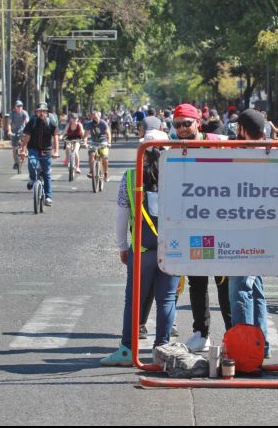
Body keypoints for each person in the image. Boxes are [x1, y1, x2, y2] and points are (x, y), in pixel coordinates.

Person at [101, 129, 178, 366]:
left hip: (142, 249)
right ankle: (161, 350)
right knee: (167, 300)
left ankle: (127, 349)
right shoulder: (178, 175)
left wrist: (123, 246)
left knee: (134, 300)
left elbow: (121, 216)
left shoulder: (131, 176)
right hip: (173, 249)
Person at [171, 103, 231, 352]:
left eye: (187, 123)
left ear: (198, 122)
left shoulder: (218, 141)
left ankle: (232, 334)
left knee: (224, 281)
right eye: (178, 125)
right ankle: (201, 333)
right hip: (193, 224)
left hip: (221, 222)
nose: (183, 129)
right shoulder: (173, 147)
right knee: (197, 280)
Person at [228, 109, 271, 358]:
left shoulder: (240, 154)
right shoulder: (275, 151)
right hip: (267, 228)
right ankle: (261, 345)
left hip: (244, 229)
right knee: (256, 286)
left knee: (240, 288)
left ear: (242, 130)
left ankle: (245, 349)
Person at [20, 104, 59, 205]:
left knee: (46, 173)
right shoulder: (32, 122)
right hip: (33, 149)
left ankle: (48, 197)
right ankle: (32, 178)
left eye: (44, 111)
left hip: (46, 150)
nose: (42, 113)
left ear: (47, 113)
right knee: (32, 163)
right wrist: (23, 150)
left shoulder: (51, 122)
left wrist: (56, 151)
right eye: (39, 111)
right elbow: (27, 137)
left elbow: (55, 137)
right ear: (36, 113)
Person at [84, 111, 111, 181]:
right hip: (94, 142)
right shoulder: (89, 124)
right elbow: (86, 135)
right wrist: (85, 143)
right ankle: (91, 171)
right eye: (92, 117)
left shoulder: (103, 123)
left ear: (99, 117)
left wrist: (109, 142)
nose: (94, 119)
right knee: (91, 155)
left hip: (103, 142)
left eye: (95, 117)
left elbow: (108, 134)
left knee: (104, 157)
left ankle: (105, 173)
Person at [7, 100, 29, 170]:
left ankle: (24, 150)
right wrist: (9, 131)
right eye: (18, 106)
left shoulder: (24, 113)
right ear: (15, 107)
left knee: (25, 140)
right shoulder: (12, 113)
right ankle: (16, 162)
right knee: (14, 148)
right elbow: (9, 123)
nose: (19, 107)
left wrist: (28, 130)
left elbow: (27, 122)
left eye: (21, 106)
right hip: (14, 132)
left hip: (22, 131)